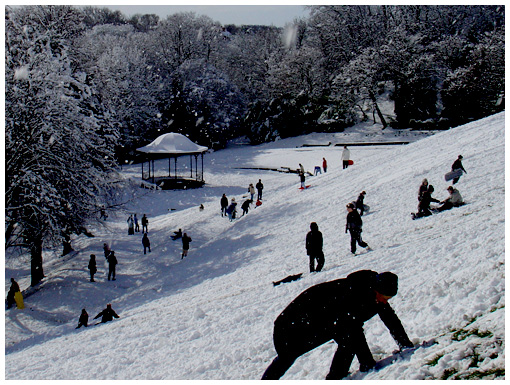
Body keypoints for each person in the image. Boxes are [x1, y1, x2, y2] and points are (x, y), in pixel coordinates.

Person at [261, 270, 413, 380]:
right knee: (288, 355)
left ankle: (338, 376)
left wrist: (405, 344)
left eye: (389, 298)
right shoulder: (354, 293)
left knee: (348, 337)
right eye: (384, 297)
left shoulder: (375, 296)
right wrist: (367, 363)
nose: (385, 301)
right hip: (294, 323)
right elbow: (351, 328)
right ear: (376, 290)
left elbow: (390, 320)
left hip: (322, 319)